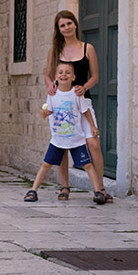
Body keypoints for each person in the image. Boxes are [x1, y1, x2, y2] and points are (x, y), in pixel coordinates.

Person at [44, 10, 113, 204]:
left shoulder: (87, 48)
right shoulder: (55, 51)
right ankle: (65, 187)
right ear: (58, 29)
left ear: (75, 24)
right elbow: (47, 75)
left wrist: (85, 87)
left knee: (93, 144)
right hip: (61, 104)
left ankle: (100, 189)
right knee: (62, 145)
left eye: (69, 23)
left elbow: (95, 76)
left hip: (82, 103)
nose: (66, 28)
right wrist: (49, 85)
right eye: (62, 25)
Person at [24, 62, 106, 204]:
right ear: (56, 77)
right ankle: (33, 190)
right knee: (46, 164)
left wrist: (93, 126)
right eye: (60, 72)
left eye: (68, 73)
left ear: (73, 77)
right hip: (58, 139)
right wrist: (44, 113)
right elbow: (49, 111)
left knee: (87, 165)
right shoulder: (53, 94)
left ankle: (98, 191)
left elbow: (85, 111)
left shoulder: (76, 94)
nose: (64, 75)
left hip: (76, 139)